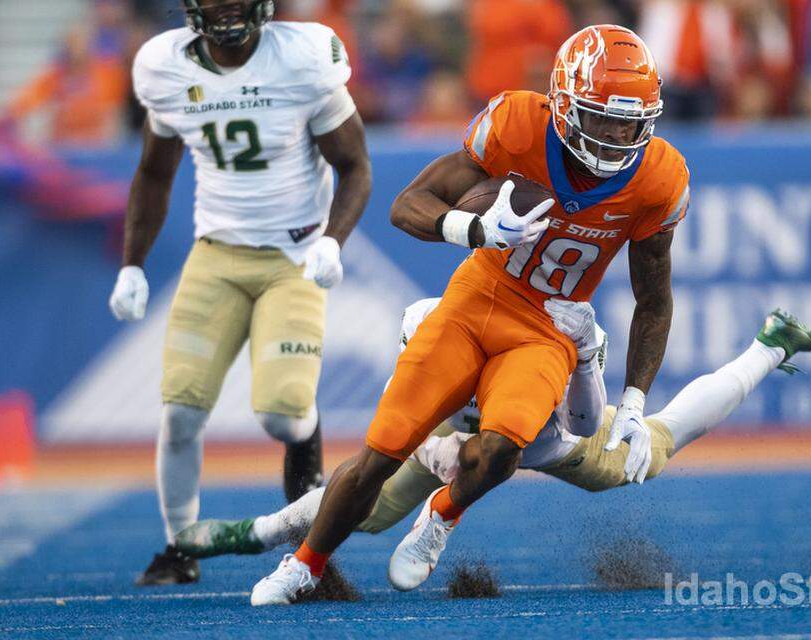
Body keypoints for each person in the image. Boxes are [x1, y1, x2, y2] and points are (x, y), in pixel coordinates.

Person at [248, 24, 690, 605]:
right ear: (562, 104)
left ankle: (442, 513)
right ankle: (305, 564)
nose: (613, 136)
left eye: (627, 122)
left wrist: (634, 399)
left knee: (503, 448)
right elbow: (407, 205)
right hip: (477, 298)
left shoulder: (659, 178)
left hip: (549, 327)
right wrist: (474, 228)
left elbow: (653, 299)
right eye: (599, 117)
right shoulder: (516, 127)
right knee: (381, 451)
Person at [174, 301, 811, 571]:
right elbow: (428, 439)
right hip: (461, 445)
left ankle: (767, 348)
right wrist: (452, 456)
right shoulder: (432, 342)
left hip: (542, 435)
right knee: (366, 507)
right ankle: (252, 533)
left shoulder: (531, 347)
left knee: (654, 447)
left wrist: (588, 361)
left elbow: (581, 424)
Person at [110, 0, 372, 585]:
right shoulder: (165, 66)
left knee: (282, 417)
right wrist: (133, 264)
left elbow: (355, 165)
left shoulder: (303, 57)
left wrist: (332, 241)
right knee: (180, 410)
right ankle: (180, 547)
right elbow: (155, 172)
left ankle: (305, 486)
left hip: (292, 257)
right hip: (217, 255)